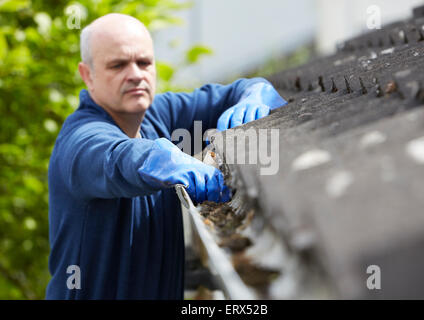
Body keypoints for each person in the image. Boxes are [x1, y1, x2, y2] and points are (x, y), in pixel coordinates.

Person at [46, 13, 286, 299]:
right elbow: (114, 157)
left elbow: (239, 91)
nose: (135, 73)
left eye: (144, 62)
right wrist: (159, 158)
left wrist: (256, 94)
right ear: (88, 75)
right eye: (118, 65)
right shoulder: (79, 141)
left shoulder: (161, 114)